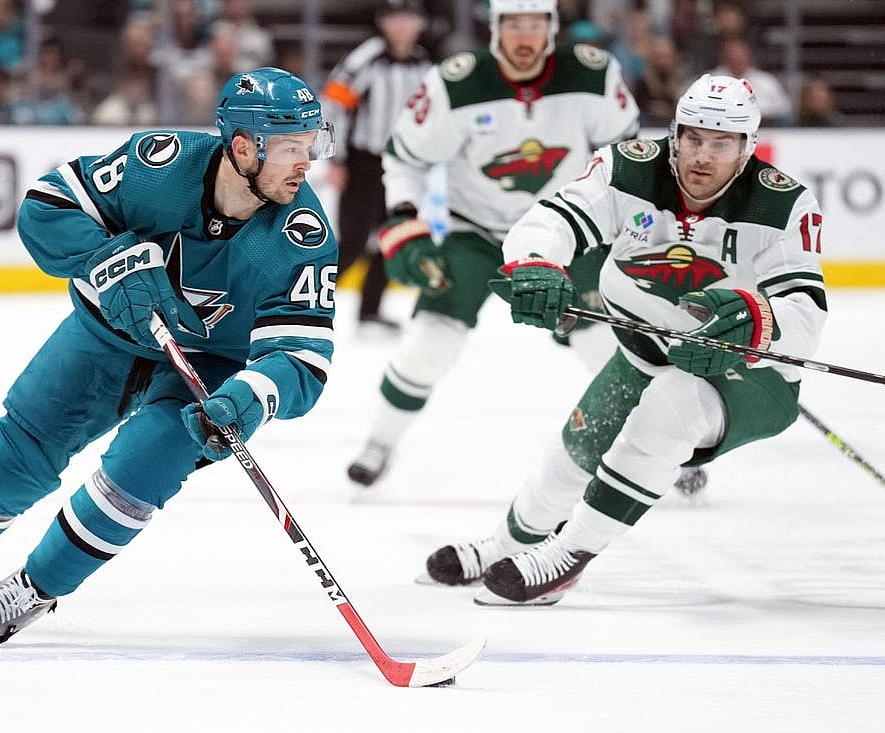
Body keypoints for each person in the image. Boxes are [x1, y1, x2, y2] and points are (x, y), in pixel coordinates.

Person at [0, 67, 339, 645]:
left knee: (144, 465)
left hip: (208, 371)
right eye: (292, 147)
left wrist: (249, 398)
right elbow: (46, 206)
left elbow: (301, 357)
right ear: (243, 147)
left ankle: (34, 589)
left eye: (312, 144)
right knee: (16, 448)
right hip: (107, 337)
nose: (306, 162)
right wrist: (109, 259)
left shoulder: (302, 237)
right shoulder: (161, 164)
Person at [424, 74, 827, 603]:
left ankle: (567, 555)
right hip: (644, 354)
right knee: (569, 457)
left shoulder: (784, 205)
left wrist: (756, 317)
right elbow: (556, 216)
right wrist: (535, 262)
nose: (702, 156)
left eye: (721, 143)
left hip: (746, 374)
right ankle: (503, 546)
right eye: (692, 138)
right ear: (675, 133)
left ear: (748, 147)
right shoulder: (629, 166)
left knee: (671, 406)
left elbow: (807, 313)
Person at [345, 0, 639, 489]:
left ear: (552, 26)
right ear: (494, 28)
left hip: (564, 233)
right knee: (430, 341)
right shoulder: (456, 82)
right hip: (476, 230)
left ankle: (644, 452)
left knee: (602, 344)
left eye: (535, 24)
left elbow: (626, 157)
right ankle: (380, 442)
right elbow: (404, 158)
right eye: (513, 25)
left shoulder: (592, 74)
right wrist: (404, 221)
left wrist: (628, 228)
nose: (524, 37)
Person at [322, 0, 433, 333]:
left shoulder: (424, 63)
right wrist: (337, 158)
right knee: (352, 242)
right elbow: (335, 105)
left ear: (419, 24)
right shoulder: (366, 58)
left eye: (408, 19)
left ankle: (370, 312)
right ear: (383, 23)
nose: (402, 26)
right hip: (363, 162)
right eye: (395, 19)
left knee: (395, 237)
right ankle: (305, 306)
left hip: (404, 164)